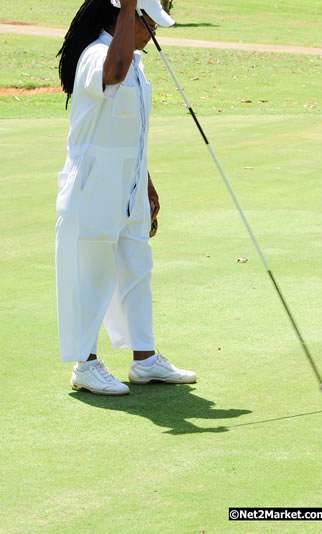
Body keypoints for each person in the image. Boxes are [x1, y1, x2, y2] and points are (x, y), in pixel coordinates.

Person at [56, 0, 196, 394]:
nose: (152, 35)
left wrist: (146, 181)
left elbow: (133, 131)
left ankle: (145, 359)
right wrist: (128, 5)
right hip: (93, 186)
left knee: (137, 267)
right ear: (125, 16)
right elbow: (110, 76)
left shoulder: (135, 63)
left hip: (129, 186)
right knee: (91, 274)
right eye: (148, 23)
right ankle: (84, 364)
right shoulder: (97, 56)